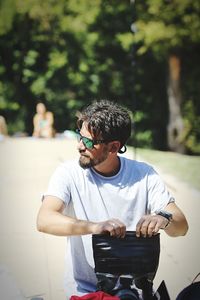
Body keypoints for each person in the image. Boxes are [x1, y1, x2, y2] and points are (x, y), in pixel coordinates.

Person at [36, 100, 188, 298]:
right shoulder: (68, 173)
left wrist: (163, 218)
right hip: (86, 293)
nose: (80, 146)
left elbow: (182, 227)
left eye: (89, 142)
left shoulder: (144, 174)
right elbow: (44, 219)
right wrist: (94, 227)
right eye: (79, 137)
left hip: (137, 293)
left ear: (114, 147)